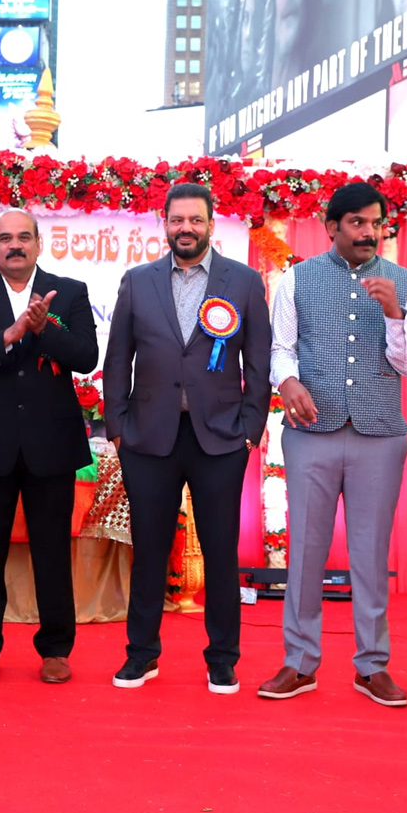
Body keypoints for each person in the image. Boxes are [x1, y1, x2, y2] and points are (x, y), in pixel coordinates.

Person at [259, 181, 407, 706]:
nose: (368, 232)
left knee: (370, 553)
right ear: (332, 228)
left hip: (379, 434)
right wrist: (288, 384)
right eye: (356, 223)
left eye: (375, 223)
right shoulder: (295, 280)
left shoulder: (404, 282)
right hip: (312, 433)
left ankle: (372, 666)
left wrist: (396, 315)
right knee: (305, 551)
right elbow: (281, 348)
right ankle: (299, 662)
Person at [102, 183, 270, 694]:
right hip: (149, 439)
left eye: (195, 220)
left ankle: (222, 659)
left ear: (211, 225)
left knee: (220, 551)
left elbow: (258, 363)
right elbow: (116, 361)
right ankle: (141, 655)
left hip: (219, 438)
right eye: (177, 220)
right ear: (165, 223)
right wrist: (118, 428)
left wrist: (249, 430)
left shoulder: (241, 282)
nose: (186, 229)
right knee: (149, 549)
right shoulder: (138, 281)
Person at [0, 207, 98, 684]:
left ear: (38, 244)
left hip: (51, 441)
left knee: (52, 551)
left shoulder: (68, 292)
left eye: (24, 237)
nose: (15, 245)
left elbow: (86, 357)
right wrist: (9, 335)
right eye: (4, 238)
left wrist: (44, 325)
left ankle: (55, 649)